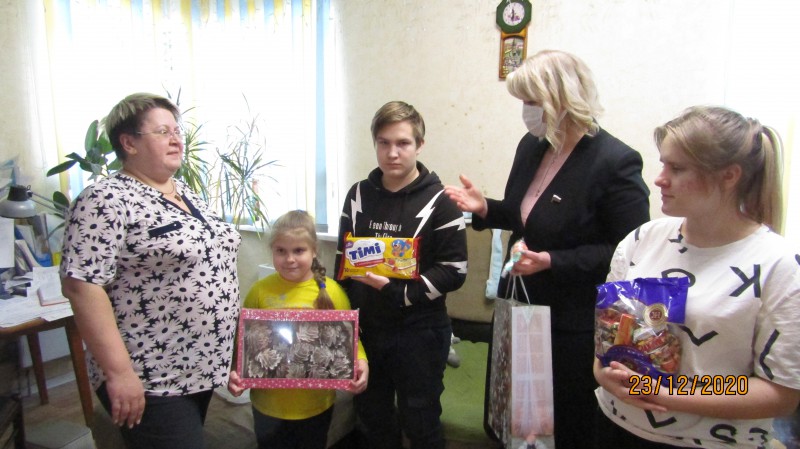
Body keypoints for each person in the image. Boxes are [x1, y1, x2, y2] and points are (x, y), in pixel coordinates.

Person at [444, 50, 650, 448]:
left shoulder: (614, 161)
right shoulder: (533, 145)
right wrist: (485, 208)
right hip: (519, 305)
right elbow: (525, 215)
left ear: (563, 98)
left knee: (563, 423)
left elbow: (629, 251)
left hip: (570, 320)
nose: (526, 111)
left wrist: (554, 261)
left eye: (531, 101)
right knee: (513, 417)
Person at [593, 106, 800, 449]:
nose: (660, 179)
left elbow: (780, 393)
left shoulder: (779, 265)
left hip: (707, 442)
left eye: (677, 168)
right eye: (663, 164)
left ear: (729, 176)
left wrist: (668, 393)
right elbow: (609, 332)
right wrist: (602, 373)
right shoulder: (642, 239)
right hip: (615, 426)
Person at [59, 93, 242, 449]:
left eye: (177, 131)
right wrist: (119, 373)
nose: (177, 140)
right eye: (162, 132)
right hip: (151, 375)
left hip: (199, 367)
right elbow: (82, 286)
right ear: (128, 143)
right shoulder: (105, 199)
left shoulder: (186, 193)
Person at [334, 101, 468, 449]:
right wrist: (340, 320)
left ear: (420, 145)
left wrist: (398, 293)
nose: (392, 153)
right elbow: (342, 261)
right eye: (384, 143)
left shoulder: (442, 200)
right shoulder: (357, 194)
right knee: (372, 422)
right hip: (367, 331)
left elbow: (455, 271)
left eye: (403, 143)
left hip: (420, 334)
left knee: (421, 424)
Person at [227, 209, 368, 449]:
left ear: (314, 251)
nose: (289, 259)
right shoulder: (259, 291)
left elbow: (350, 339)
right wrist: (235, 372)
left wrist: (361, 361)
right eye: (281, 251)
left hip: (316, 405)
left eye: (299, 250)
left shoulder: (332, 292)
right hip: (267, 405)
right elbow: (243, 340)